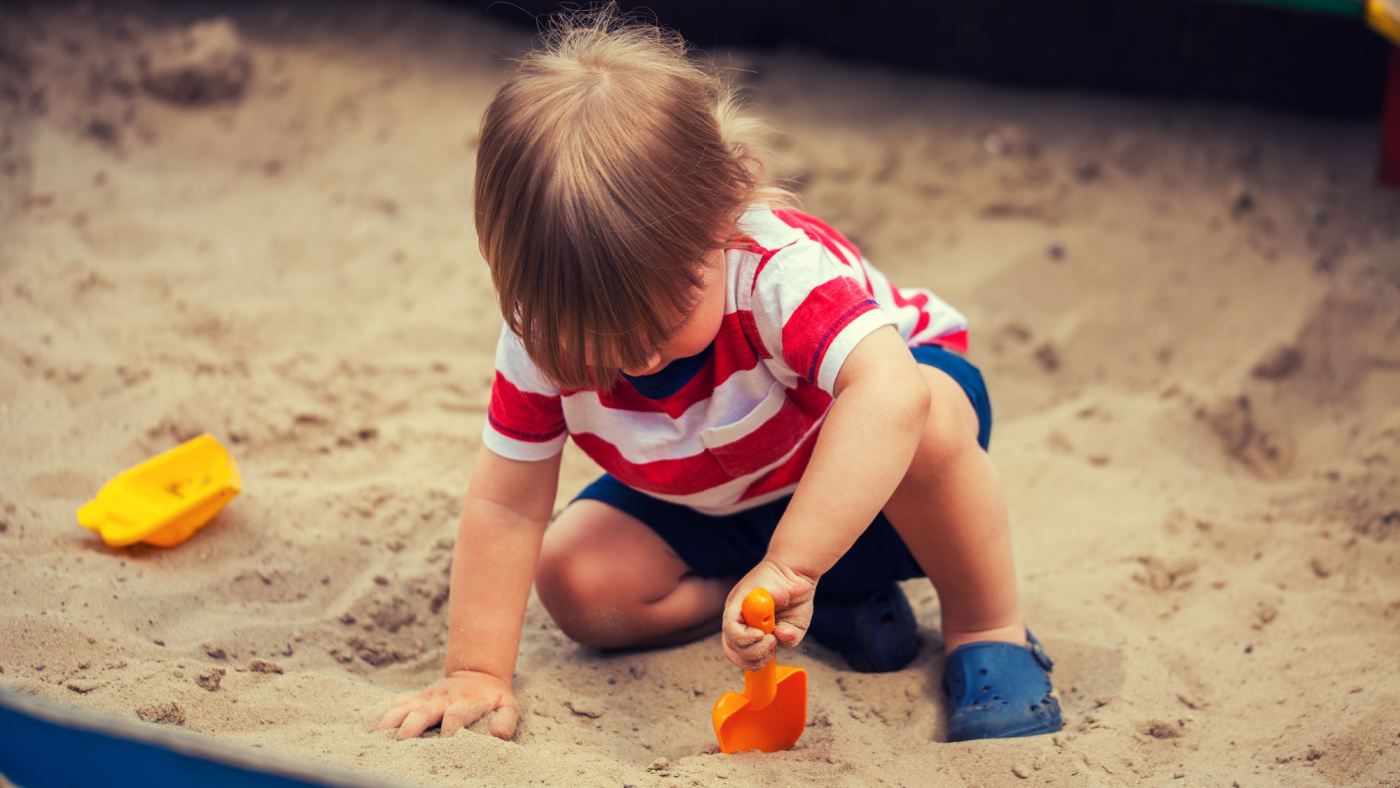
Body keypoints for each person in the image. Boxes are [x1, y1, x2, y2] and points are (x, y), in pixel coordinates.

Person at [375, 8, 1061, 744]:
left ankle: (988, 631)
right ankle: (809, 608)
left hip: (877, 480)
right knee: (577, 581)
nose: (636, 361)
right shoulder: (540, 333)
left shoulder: (773, 270)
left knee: (931, 417)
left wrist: (792, 565)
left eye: (667, 317)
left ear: (730, 201)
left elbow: (890, 393)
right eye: (599, 340)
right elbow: (508, 507)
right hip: (717, 502)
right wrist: (477, 669)